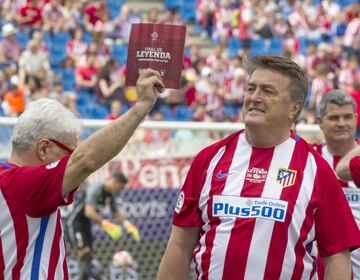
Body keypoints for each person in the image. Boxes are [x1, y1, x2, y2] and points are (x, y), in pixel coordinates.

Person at [157, 55, 360, 280]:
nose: (254, 97)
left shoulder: (317, 170)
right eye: (250, 88)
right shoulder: (208, 159)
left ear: (294, 108)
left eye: (267, 91)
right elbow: (179, 245)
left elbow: (337, 256)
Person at [0, 68, 164, 279]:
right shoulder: (21, 184)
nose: (72, 161)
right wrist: (141, 107)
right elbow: (86, 160)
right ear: (44, 149)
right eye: (69, 153)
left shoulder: (10, 181)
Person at [313, 89, 360, 278]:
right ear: (319, 122)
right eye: (334, 118)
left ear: (356, 119)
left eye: (347, 117)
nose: (341, 123)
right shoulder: (308, 159)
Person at [65, 171, 140, 280]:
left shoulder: (110, 195)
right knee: (85, 255)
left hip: (85, 225)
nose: (120, 191)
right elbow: (88, 212)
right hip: (74, 224)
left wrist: (128, 224)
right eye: (120, 187)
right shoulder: (96, 188)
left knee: (87, 257)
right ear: (114, 182)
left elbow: (116, 213)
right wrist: (106, 224)